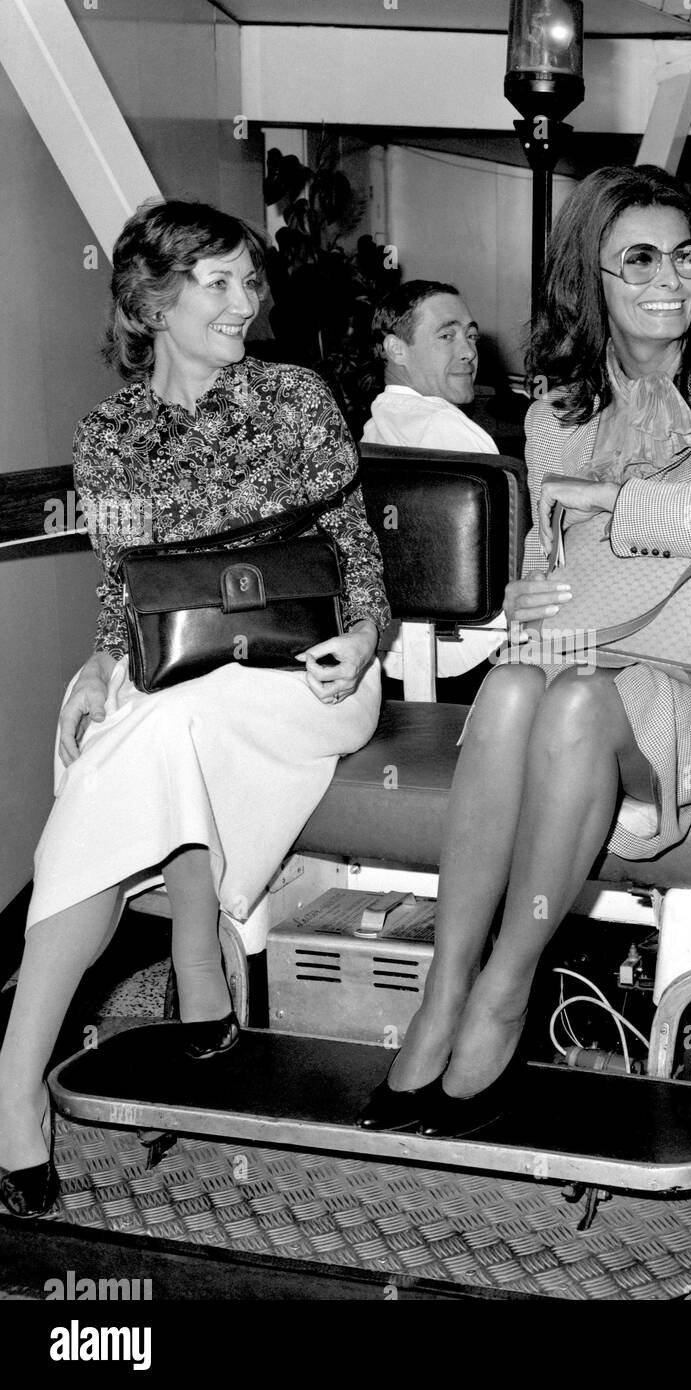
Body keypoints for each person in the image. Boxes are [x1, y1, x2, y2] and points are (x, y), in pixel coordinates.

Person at [359, 164, 691, 1139]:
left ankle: (505, 991)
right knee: (520, 680)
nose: (670, 279)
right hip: (590, 665)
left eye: (684, 257)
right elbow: (546, 571)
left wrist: (622, 504)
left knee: (566, 701)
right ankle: (447, 985)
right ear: (590, 279)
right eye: (638, 259)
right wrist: (528, 595)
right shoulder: (559, 409)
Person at [0, 200, 388, 1218]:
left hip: (313, 674)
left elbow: (353, 554)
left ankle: (173, 964)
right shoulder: (110, 433)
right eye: (214, 282)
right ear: (150, 300)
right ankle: (26, 1075)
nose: (242, 300)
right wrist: (97, 659)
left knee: (150, 732)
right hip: (183, 674)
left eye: (247, 280)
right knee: (124, 725)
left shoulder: (294, 397)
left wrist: (366, 637)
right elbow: (128, 585)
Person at [362, 281, 506, 685]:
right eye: (447, 335)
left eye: (471, 336)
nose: (468, 351)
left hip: (386, 650)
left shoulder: (373, 429)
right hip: (475, 649)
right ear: (396, 349)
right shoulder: (451, 433)